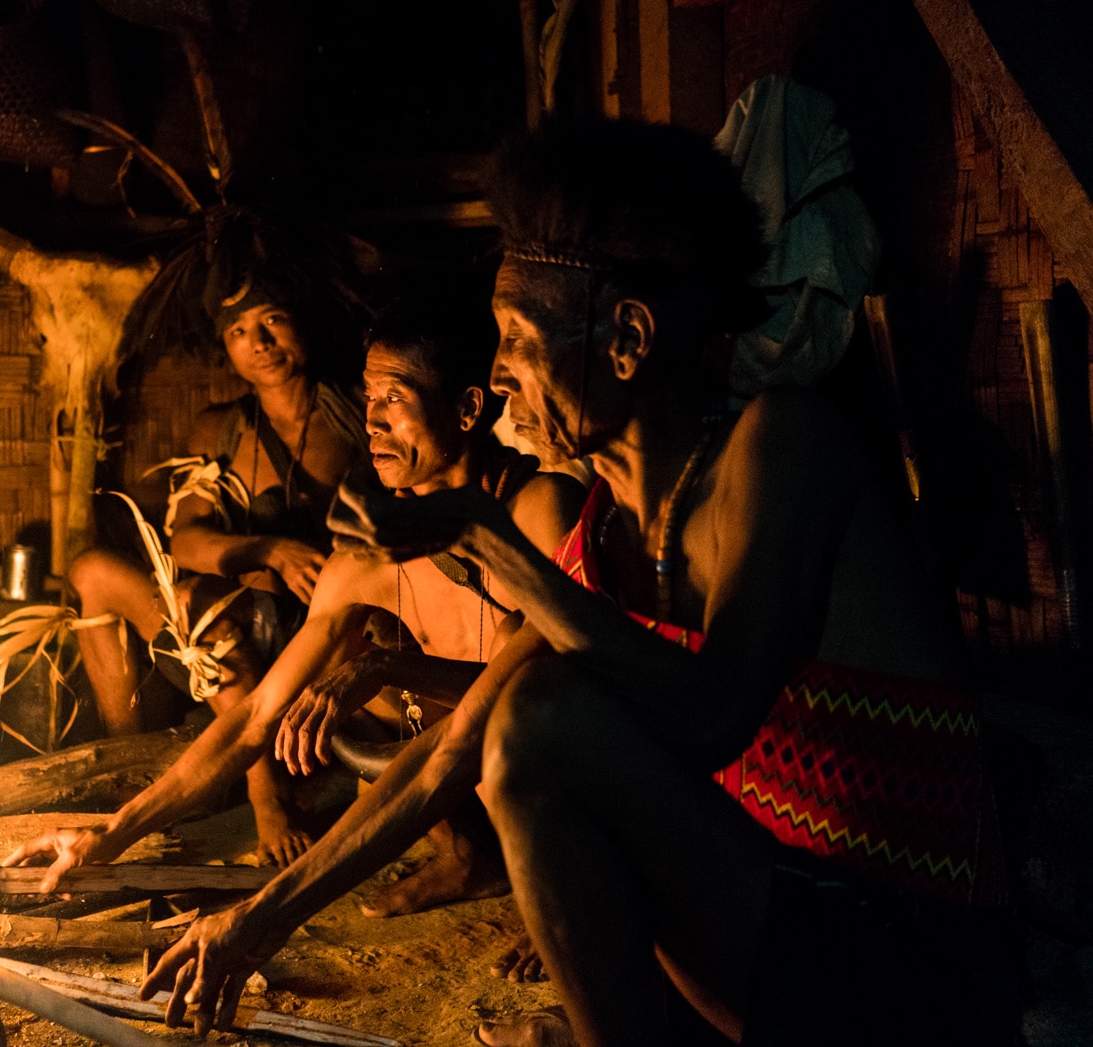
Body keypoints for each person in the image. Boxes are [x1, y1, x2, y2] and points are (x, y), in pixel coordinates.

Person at [137, 117, 1003, 1047]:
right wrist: (256, 920)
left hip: (905, 973)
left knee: (548, 714)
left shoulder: (782, 446)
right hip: (776, 942)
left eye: (516, 338)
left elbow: (715, 711)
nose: (501, 375)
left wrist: (492, 545)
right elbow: (449, 753)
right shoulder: (606, 531)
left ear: (627, 338)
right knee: (523, 720)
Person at [14, 287, 584, 882]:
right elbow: (256, 714)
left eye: (395, 397)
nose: (373, 421)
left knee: (516, 697)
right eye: (369, 398)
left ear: (467, 410)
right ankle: (492, 869)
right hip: (460, 766)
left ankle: (566, 892)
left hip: (566, 776)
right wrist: (113, 832)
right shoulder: (364, 562)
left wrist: (385, 669)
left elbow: (541, 686)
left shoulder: (541, 508)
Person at [68, 253, 369, 862]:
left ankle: (268, 796)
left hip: (319, 631)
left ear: (302, 323)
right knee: (96, 572)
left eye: (273, 321)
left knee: (216, 609)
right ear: (225, 348)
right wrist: (267, 550)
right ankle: (128, 758)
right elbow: (186, 540)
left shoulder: (356, 416)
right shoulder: (221, 429)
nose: (258, 343)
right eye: (238, 332)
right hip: (221, 632)